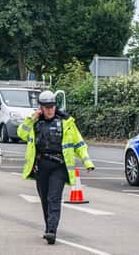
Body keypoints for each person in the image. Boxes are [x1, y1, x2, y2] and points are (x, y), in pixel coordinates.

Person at [17, 90, 95, 245]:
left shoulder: (66, 122)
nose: (50, 109)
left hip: (59, 166)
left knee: (54, 198)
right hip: (41, 166)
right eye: (46, 107)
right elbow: (21, 134)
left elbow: (79, 143)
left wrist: (87, 162)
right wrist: (30, 120)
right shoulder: (35, 123)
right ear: (40, 108)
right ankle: (48, 227)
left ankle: (52, 231)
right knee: (45, 199)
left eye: (52, 106)